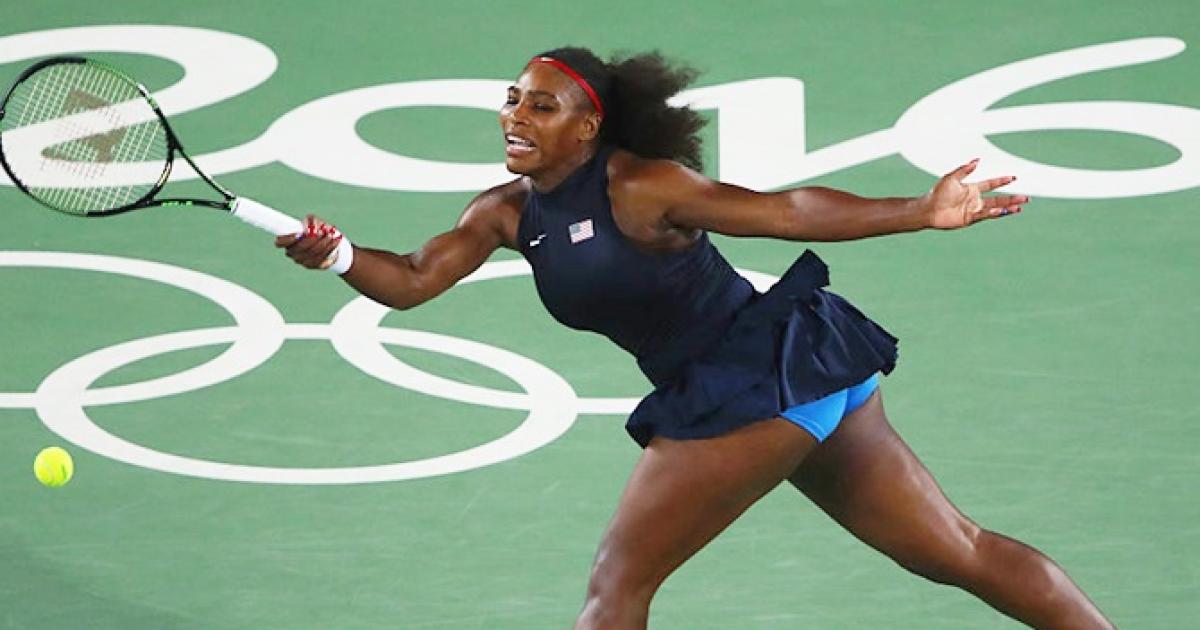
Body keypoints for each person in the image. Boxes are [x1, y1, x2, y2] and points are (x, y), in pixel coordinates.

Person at [277, 48, 1115, 629]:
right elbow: (413, 279)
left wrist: (917, 212)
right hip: (808, 368)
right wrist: (338, 254)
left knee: (616, 588)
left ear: (588, 127)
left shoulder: (643, 187)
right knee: (956, 552)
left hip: (749, 384)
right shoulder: (503, 213)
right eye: (513, 98)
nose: (516, 116)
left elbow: (786, 212)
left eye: (542, 104)